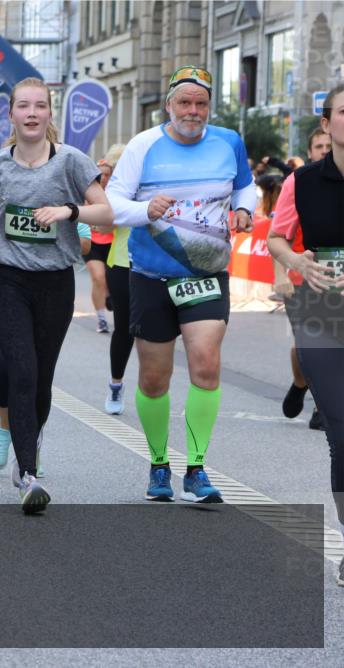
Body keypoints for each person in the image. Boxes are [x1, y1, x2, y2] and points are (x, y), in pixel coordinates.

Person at [106, 66, 256, 503]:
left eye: (201, 103)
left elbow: (244, 187)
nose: (193, 111)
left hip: (206, 274)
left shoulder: (228, 141)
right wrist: (145, 208)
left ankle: (195, 467)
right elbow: (113, 202)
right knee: (154, 378)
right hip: (151, 274)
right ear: (169, 105)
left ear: (209, 106)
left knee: (206, 364)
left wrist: (245, 210)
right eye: (185, 102)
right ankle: (158, 464)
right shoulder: (143, 145)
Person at [0, 77, 113, 513]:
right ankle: (28, 473)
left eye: (39, 106)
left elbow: (105, 210)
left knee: (41, 377)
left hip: (55, 282)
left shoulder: (71, 161)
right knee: (21, 369)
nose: (32, 113)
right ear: (12, 114)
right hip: (10, 281)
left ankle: (27, 438)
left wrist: (68, 211)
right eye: (23, 106)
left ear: (50, 113)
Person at [267, 83, 344, 586]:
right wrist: (295, 260)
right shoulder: (304, 181)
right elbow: (277, 235)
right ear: (327, 124)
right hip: (322, 308)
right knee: (341, 426)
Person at [273, 126, 332, 431]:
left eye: (327, 145)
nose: (324, 149)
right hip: (300, 277)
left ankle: (324, 405)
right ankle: (300, 383)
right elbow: (277, 235)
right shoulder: (300, 182)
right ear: (310, 152)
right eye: (318, 146)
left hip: (335, 278)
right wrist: (280, 273)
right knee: (306, 344)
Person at [96, 143, 133, 415]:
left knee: (154, 333)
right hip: (122, 263)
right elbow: (104, 226)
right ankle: (116, 384)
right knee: (125, 328)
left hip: (158, 266)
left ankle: (152, 388)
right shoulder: (115, 192)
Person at [84, 152, 118, 334]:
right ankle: (102, 319)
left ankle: (108, 295)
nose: (103, 178)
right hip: (93, 243)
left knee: (110, 282)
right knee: (98, 277)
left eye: (107, 174)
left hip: (114, 243)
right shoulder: (88, 192)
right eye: (100, 174)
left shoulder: (117, 193)